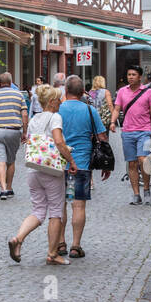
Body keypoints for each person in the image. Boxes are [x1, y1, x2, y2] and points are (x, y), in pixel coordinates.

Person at [8, 86, 76, 266]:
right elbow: (59, 142)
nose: (61, 102)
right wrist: (71, 161)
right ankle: (52, 254)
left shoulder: (34, 119)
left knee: (38, 210)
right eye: (59, 100)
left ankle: (18, 238)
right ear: (52, 102)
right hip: (51, 170)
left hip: (33, 169)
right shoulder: (55, 117)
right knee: (55, 212)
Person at [58, 75, 108, 258]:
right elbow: (102, 137)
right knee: (78, 205)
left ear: (65, 90)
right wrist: (106, 163)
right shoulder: (90, 110)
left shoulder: (57, 109)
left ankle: (61, 243)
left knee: (60, 204)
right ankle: (75, 246)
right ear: (82, 93)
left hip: (59, 163)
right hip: (81, 163)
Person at [111, 64, 151, 206]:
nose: (130, 77)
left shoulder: (148, 92)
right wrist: (113, 122)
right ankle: (136, 194)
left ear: (140, 77)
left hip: (144, 131)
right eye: (129, 75)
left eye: (133, 75)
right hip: (127, 132)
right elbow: (117, 108)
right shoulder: (121, 92)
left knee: (143, 159)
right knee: (131, 163)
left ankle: (147, 189)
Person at [0, 71, 28, 199]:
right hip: (14, 130)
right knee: (11, 161)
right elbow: (25, 115)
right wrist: (25, 132)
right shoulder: (18, 95)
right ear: (11, 83)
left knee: (0, 161)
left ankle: (3, 189)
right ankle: (9, 187)